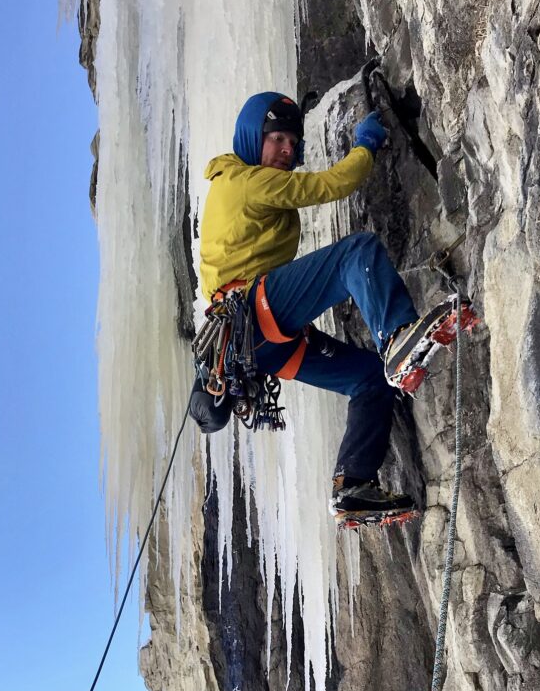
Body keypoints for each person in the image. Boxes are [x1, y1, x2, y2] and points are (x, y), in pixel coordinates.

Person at [194, 91, 459, 525]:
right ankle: (397, 336)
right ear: (250, 136)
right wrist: (365, 145)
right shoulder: (244, 180)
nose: (287, 149)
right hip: (256, 311)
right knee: (357, 254)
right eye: (277, 137)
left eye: (292, 143)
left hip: (259, 348)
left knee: (371, 380)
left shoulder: (241, 184)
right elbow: (333, 184)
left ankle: (352, 483)